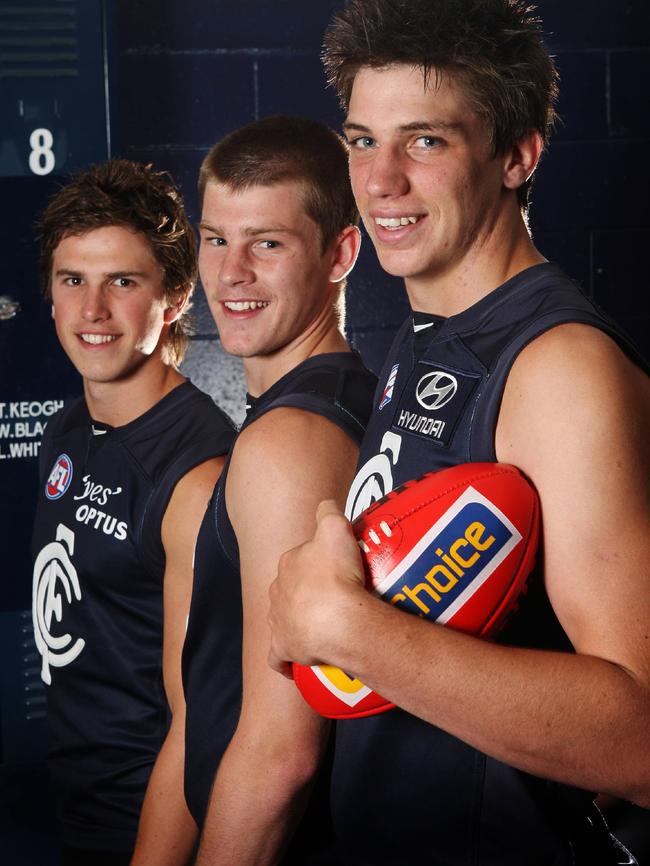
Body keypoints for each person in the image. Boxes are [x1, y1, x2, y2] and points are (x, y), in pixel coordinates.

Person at [267, 2, 650, 864]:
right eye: (362, 140)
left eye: (425, 141)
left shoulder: (558, 368)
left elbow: (640, 740)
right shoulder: (429, 334)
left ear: (516, 157)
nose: (379, 180)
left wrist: (347, 629)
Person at [180, 115, 377, 866]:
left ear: (340, 253)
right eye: (215, 238)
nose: (231, 274)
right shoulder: (348, 395)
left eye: (266, 242)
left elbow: (282, 754)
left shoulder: (286, 445)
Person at [30, 159, 236, 866]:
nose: (93, 311)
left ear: (174, 297)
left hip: (146, 828)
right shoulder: (65, 432)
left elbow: (199, 723)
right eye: (73, 281)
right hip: (73, 805)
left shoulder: (196, 474)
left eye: (123, 281)